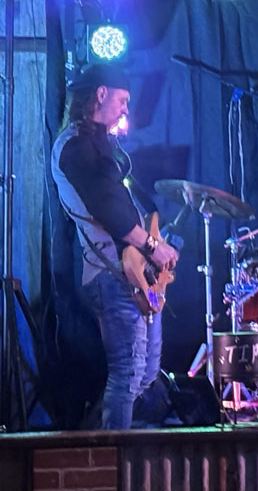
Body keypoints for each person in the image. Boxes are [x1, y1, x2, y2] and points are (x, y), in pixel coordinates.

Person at [51, 64, 179, 429]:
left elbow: (120, 206)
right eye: (122, 100)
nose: (126, 109)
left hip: (133, 274)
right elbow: (108, 209)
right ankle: (109, 455)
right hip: (112, 275)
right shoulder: (75, 146)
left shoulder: (95, 143)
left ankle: (103, 442)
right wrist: (152, 247)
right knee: (127, 373)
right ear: (101, 94)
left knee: (144, 373)